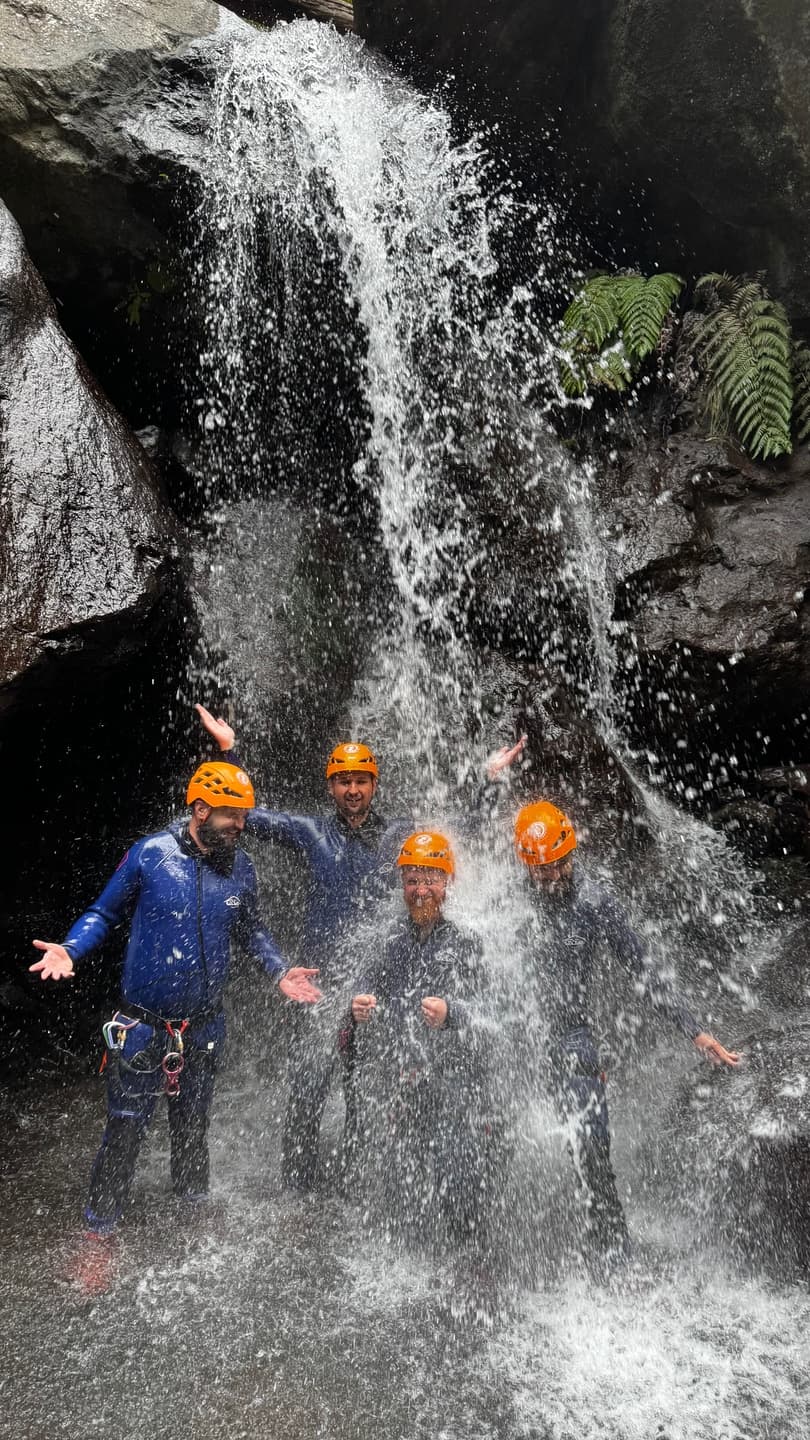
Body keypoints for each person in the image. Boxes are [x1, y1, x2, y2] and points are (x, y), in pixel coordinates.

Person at [195, 703, 524, 1191]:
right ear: (331, 787)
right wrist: (230, 751)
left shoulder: (398, 835)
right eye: (343, 780)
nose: (352, 789)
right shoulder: (310, 833)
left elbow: (458, 829)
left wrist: (490, 780)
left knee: (362, 1094)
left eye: (361, 780)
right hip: (318, 988)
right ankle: (297, 1190)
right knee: (306, 1091)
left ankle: (352, 1187)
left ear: (374, 785)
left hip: (373, 988)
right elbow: (249, 816)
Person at [30, 760, 321, 1290]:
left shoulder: (241, 867)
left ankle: (192, 1206)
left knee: (193, 1124)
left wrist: (279, 971)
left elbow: (252, 930)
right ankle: (99, 1234)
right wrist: (71, 948)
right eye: (233, 815)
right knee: (124, 1128)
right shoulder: (151, 855)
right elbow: (103, 912)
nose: (241, 824)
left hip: (203, 1026)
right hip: (143, 1026)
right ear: (201, 809)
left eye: (244, 816)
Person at [513, 798, 740, 1273]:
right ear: (526, 864)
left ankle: (613, 1246)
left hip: (571, 1035)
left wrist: (694, 1030)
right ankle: (496, 1239)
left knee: (592, 1144)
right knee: (492, 1130)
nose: (551, 876)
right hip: (514, 1030)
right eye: (541, 869)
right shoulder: (509, 903)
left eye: (558, 864)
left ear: (571, 855)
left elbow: (644, 969)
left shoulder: (595, 902)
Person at [350, 831, 494, 1252]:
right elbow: (362, 984)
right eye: (412, 879)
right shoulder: (389, 940)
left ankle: (470, 1261)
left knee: (457, 1176)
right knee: (400, 1180)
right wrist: (356, 1005)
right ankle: (411, 1266)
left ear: (447, 883)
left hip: (457, 1084)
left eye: (430, 878)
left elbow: (494, 1019)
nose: (420, 889)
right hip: (405, 1079)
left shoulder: (467, 942)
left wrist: (453, 1015)